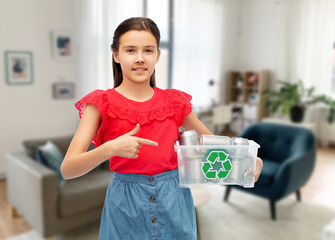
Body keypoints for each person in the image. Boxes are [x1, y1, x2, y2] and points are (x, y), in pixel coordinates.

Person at [60, 17, 263, 240]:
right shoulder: (100, 104)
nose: (139, 58)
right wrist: (110, 148)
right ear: (116, 55)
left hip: (174, 200)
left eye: (148, 50)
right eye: (130, 50)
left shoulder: (174, 102)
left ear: (157, 55)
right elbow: (68, 169)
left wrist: (247, 159)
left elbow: (213, 143)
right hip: (125, 204)